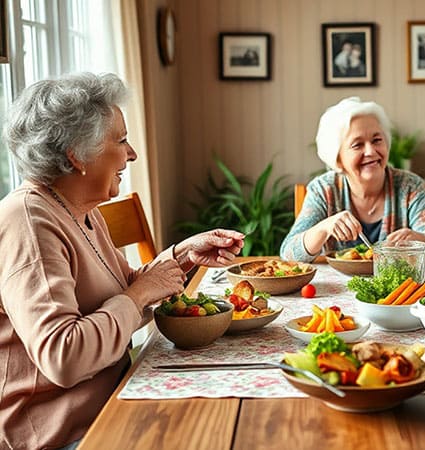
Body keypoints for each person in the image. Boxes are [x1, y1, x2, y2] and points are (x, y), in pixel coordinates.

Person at [0, 73, 245, 449]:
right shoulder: (28, 222)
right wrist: (140, 293)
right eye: (122, 140)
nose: (132, 154)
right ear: (77, 155)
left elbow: (125, 291)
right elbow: (63, 356)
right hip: (62, 435)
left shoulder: (77, 206)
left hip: (114, 399)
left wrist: (181, 257)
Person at [280, 97, 425, 262]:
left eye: (377, 140)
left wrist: (421, 243)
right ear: (337, 159)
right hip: (338, 287)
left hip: (399, 288)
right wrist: (324, 228)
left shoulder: (410, 186)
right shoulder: (323, 190)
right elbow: (288, 253)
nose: (371, 151)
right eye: (357, 145)